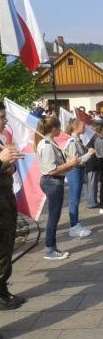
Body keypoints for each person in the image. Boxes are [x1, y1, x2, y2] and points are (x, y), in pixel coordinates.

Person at [35, 116, 79, 260]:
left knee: (55, 215)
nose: (60, 130)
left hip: (53, 181)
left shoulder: (49, 142)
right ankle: (49, 249)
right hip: (52, 181)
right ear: (53, 128)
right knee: (53, 217)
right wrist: (70, 164)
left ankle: (52, 247)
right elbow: (51, 169)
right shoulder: (47, 144)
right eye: (59, 127)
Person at [0, 103, 27, 309]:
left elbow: (8, 167)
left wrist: (10, 165)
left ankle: (2, 289)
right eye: (1, 117)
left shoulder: (1, 139)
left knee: (5, 250)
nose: (5, 120)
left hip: (6, 203)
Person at [64, 119, 95, 237]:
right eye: (83, 125)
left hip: (78, 171)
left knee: (76, 199)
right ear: (75, 127)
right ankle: (73, 227)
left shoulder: (77, 140)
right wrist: (89, 154)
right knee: (74, 200)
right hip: (74, 171)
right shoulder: (72, 142)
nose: (85, 127)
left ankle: (76, 224)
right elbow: (75, 161)